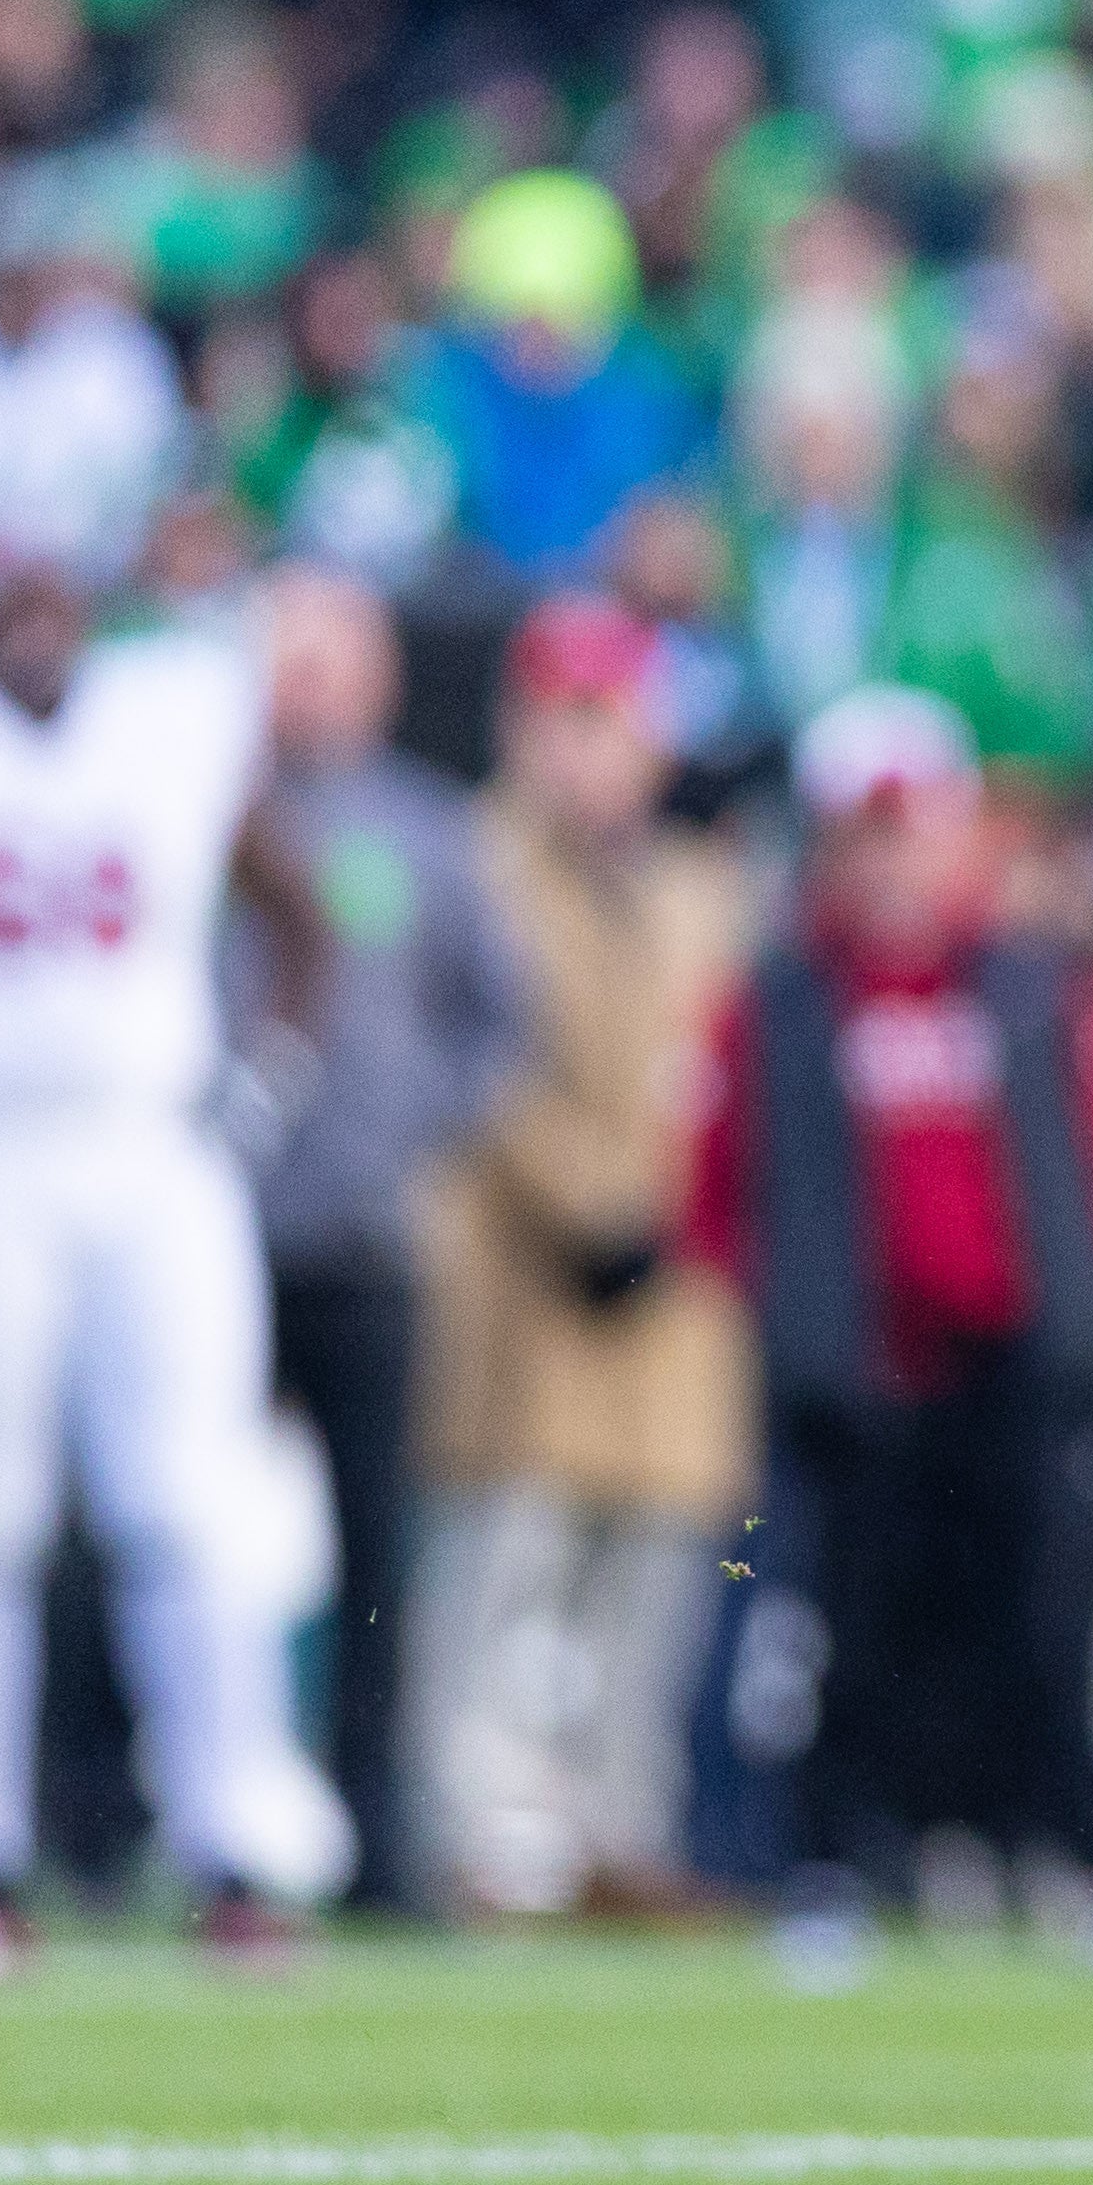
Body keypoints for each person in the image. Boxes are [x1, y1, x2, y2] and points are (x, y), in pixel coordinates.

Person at [0, 563, 347, 1977]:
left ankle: (236, 1854)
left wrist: (266, 1082)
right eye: (1, 592)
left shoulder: (178, 710)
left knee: (189, 1500)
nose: (31, 623)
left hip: (148, 1147)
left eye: (52, 590)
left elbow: (300, 907)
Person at [686, 684, 1093, 1984]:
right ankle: (833, 1866)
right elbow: (724, 1178)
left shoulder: (1029, 985)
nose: (892, 862)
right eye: (866, 834)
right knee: (845, 1633)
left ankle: (1086, 1860)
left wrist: (1090, 1320)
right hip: (860, 1377)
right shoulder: (789, 996)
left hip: (1014, 1366)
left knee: (1049, 1621)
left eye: (909, 830)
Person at [420, 594, 750, 1918]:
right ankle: (481, 1840)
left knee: (653, 1590)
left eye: (614, 723)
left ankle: (623, 1835)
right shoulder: (474, 867)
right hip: (528, 1281)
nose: (595, 752)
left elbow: (724, 1075)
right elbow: (473, 1068)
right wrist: (590, 1201)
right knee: (508, 1568)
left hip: (679, 1291)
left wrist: (678, 1211)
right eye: (572, 722)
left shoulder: (700, 885)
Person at [246, 568, 525, 1914]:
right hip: (213, 1229)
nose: (310, 686)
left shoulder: (417, 830)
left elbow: (493, 1017)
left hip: (360, 1234)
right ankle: (133, 1815)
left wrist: (412, 1128)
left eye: (331, 659)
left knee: (376, 1557)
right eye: (288, 658)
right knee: (166, 1538)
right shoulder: (205, 810)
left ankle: (373, 1838)